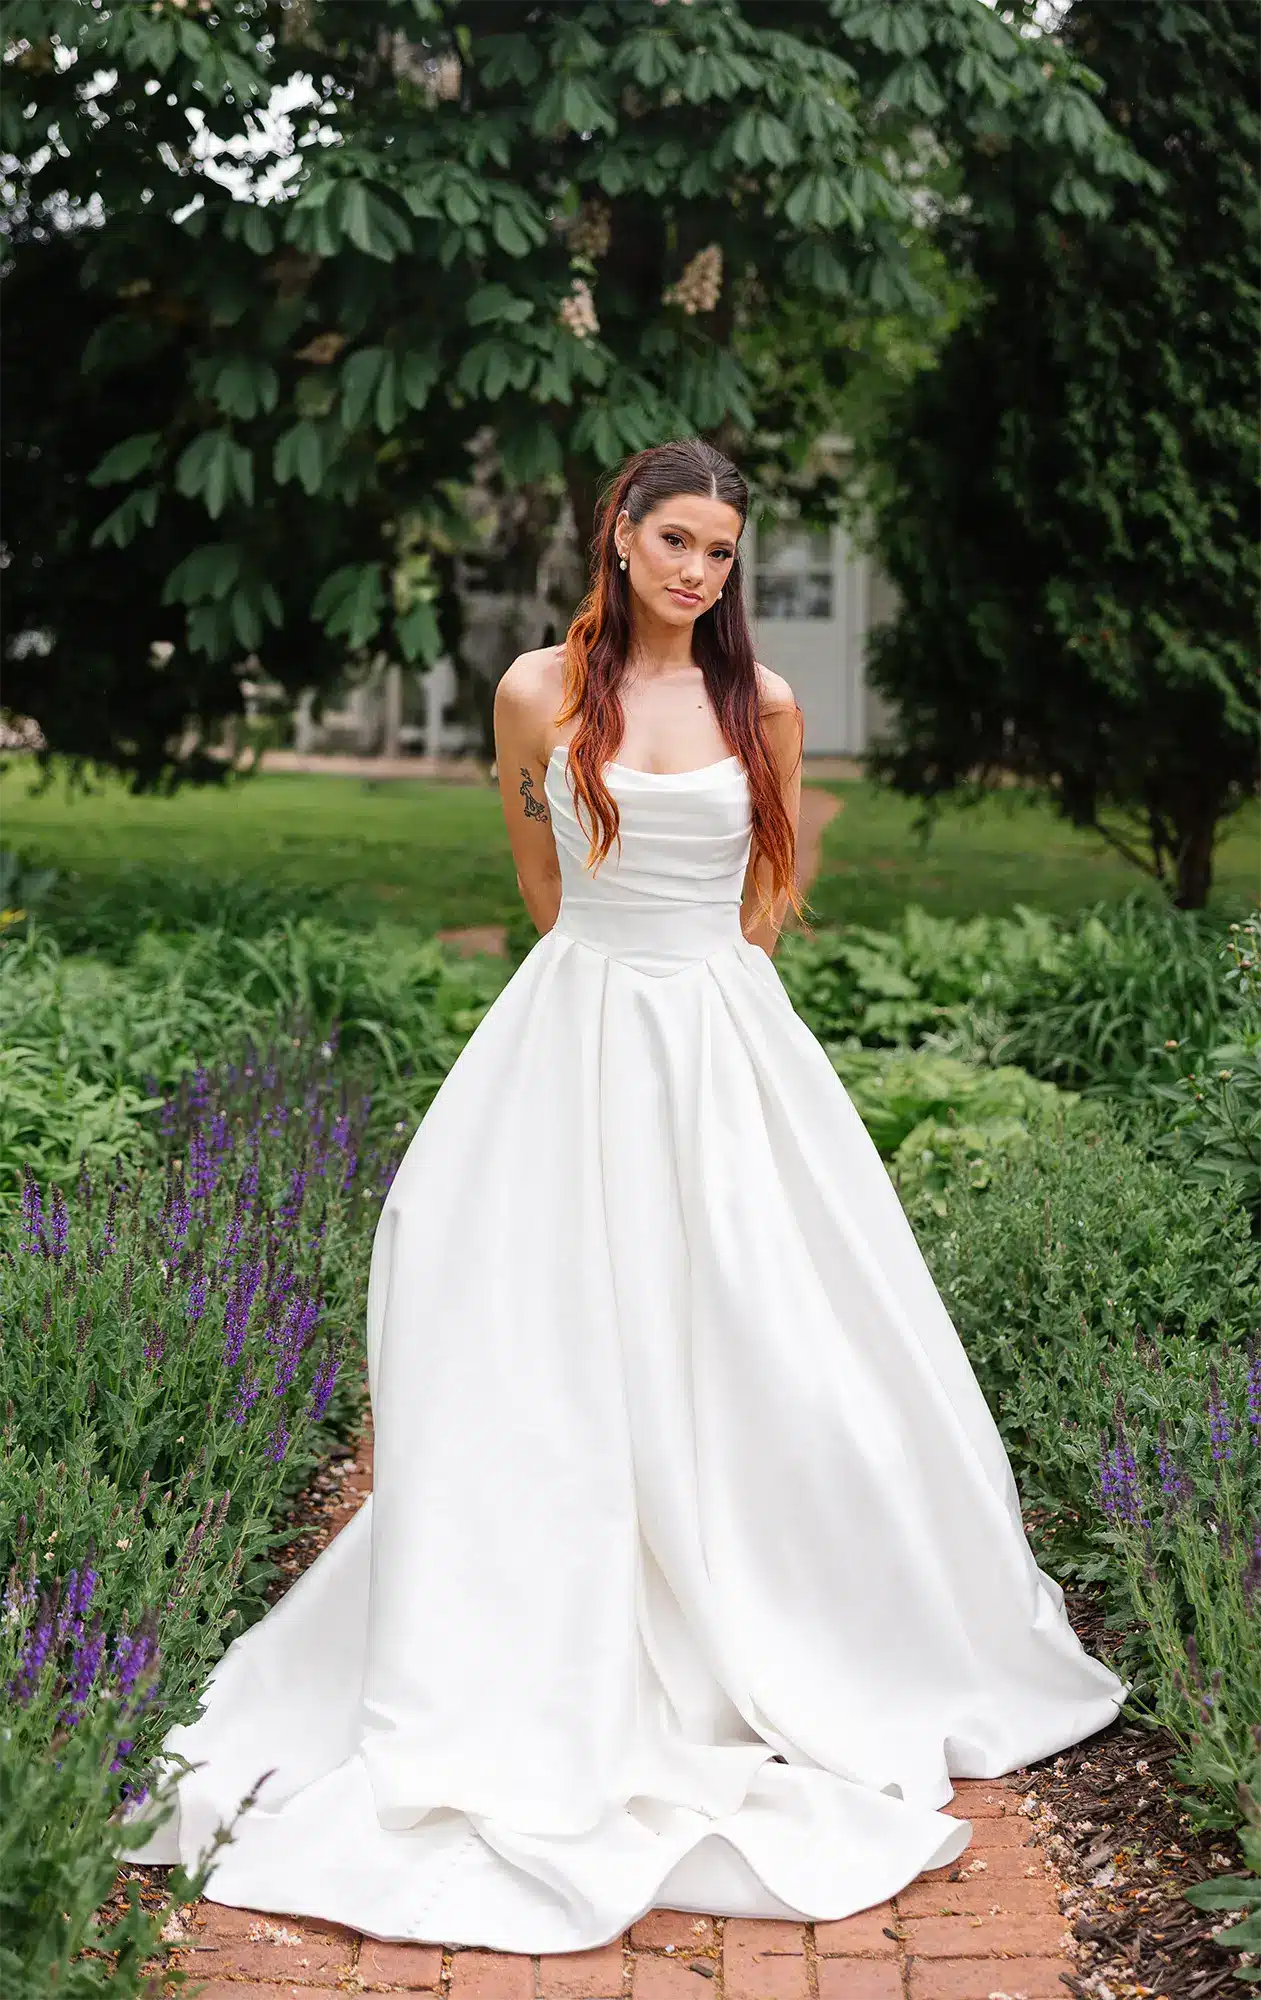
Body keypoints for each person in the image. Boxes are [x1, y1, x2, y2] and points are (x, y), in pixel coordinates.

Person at [132, 437, 1128, 1953]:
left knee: (770, 1326)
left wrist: (715, 1012)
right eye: (676, 540)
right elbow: (542, 886)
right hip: (573, 1033)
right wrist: (615, 973)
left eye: (721, 553)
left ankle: (783, 1606)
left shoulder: (763, 706)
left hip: (721, 1036)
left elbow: (767, 894)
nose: (698, 572)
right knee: (543, 1330)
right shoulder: (539, 690)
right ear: (618, 533)